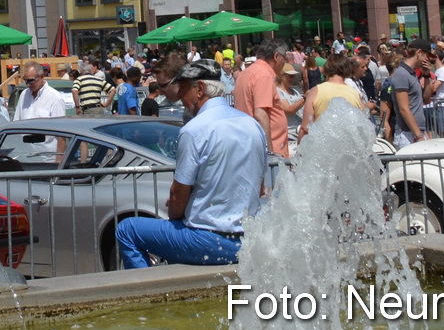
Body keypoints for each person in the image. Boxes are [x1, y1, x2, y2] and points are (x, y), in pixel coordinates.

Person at [114, 60, 267, 267]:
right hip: (247, 237)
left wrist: (176, 212)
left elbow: (178, 196)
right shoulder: (252, 125)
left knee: (127, 229)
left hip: (208, 240)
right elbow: (259, 188)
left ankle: (146, 292)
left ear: (200, 89)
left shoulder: (194, 130)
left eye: (184, 89)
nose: (181, 98)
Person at [233, 39, 289, 157]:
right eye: (285, 58)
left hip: (249, 145)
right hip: (268, 152)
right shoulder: (264, 75)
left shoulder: (246, 72)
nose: (286, 62)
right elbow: (261, 115)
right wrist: (269, 153)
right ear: (276, 56)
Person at [298, 52, 364, 141]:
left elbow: (305, 128)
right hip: (348, 147)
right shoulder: (355, 94)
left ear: (326, 69)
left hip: (322, 147)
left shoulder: (315, 91)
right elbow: (362, 127)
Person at [387, 42, 429, 148]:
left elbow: (427, 99)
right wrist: (419, 136)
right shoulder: (402, 74)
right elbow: (403, 108)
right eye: (427, 55)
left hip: (417, 131)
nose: (428, 59)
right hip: (407, 134)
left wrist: (427, 75)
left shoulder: (412, 73)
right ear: (419, 52)